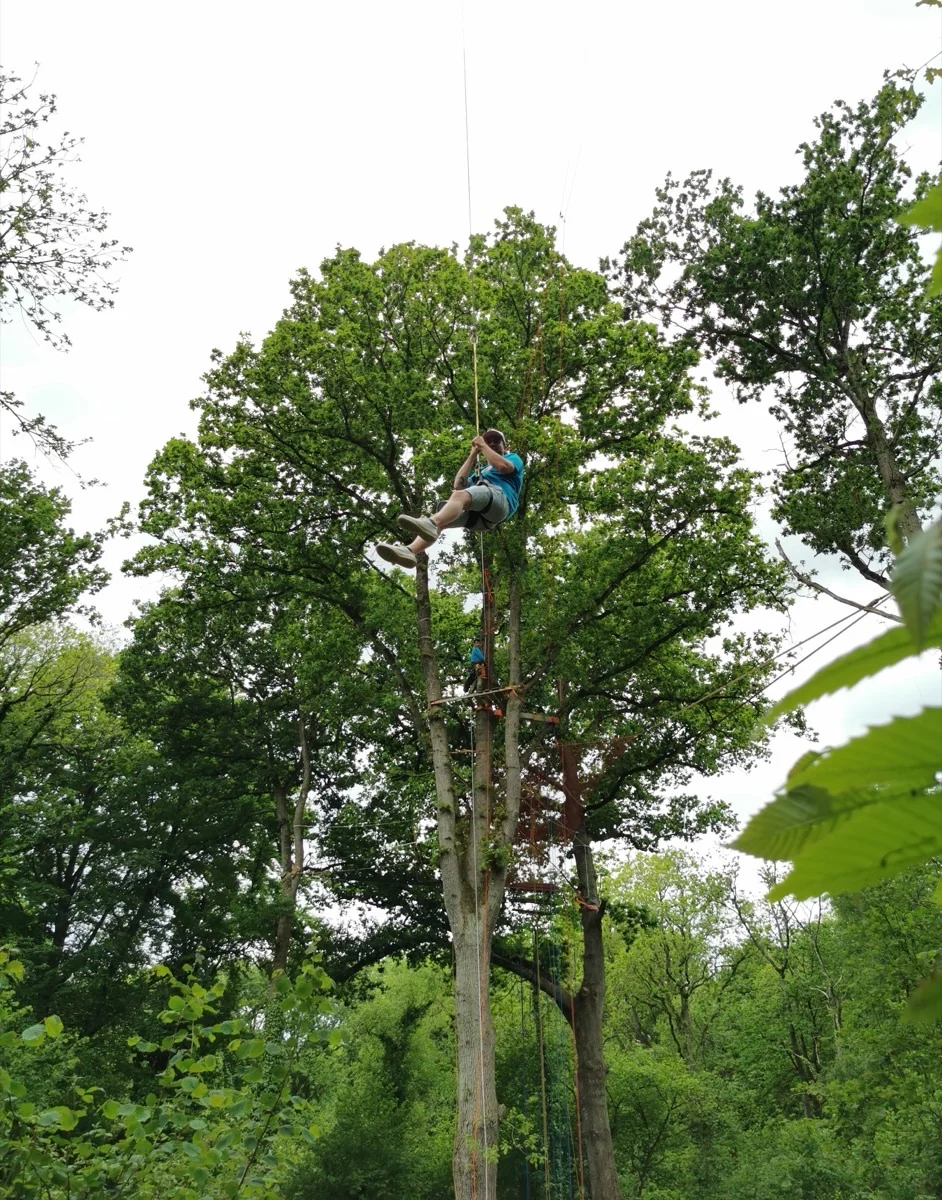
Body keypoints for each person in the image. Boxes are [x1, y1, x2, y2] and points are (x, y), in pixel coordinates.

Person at [376, 428, 524, 569]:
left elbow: (503, 467)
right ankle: (409, 551)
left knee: (446, 510)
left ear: (504, 446)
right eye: (488, 441)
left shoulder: (512, 458)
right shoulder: (483, 470)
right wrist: (473, 454)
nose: (491, 443)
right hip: (481, 520)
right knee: (447, 513)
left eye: (496, 441)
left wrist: (483, 446)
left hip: (500, 502)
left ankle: (432, 523)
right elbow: (458, 485)